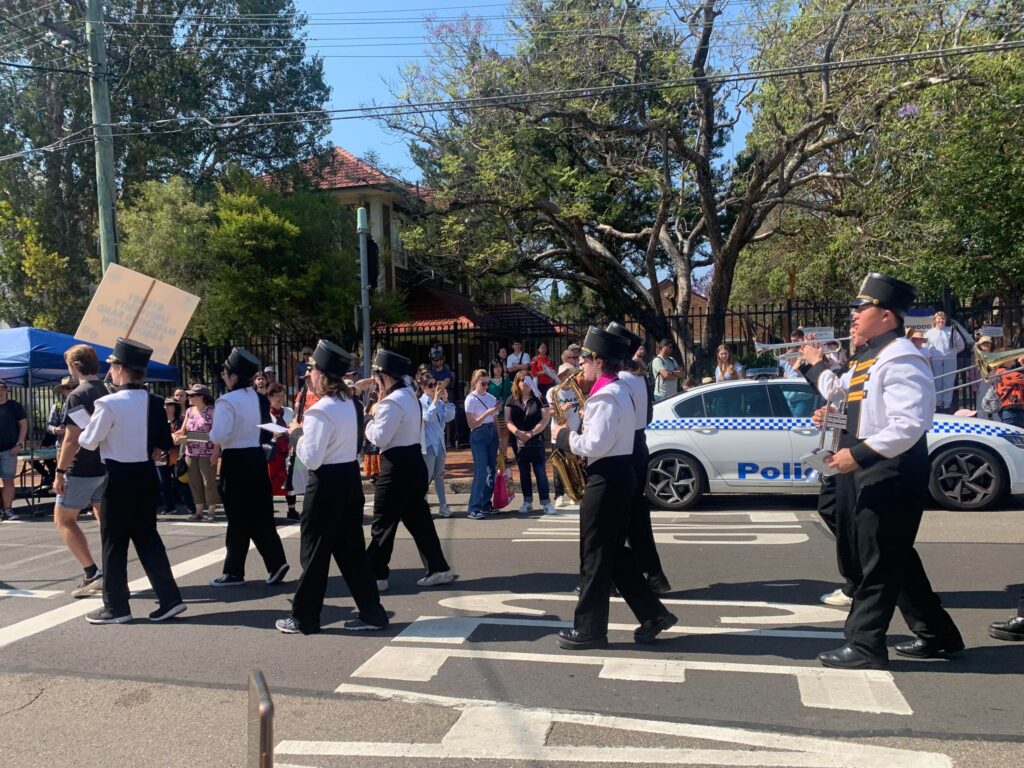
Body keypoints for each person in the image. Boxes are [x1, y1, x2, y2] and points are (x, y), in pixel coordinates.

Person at [801, 273, 963, 669]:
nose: (854, 316)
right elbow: (845, 397)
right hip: (864, 468)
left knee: (877, 560)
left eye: (862, 308)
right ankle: (937, 633)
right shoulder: (868, 358)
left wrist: (859, 456)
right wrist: (827, 403)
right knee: (891, 555)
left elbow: (909, 424)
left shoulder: (902, 356)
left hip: (888, 470)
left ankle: (865, 645)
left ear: (887, 316)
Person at [554, 327, 676, 650]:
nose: (580, 365)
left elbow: (594, 443)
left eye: (583, 360)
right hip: (619, 475)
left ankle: (590, 629)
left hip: (606, 479)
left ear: (597, 360)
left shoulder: (606, 395)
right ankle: (653, 614)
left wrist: (563, 437)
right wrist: (574, 421)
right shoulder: (618, 389)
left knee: (595, 554)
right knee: (614, 555)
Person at [276, 340, 389, 635]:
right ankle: (372, 613)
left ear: (321, 375)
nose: (308, 376)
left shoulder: (319, 411)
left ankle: (305, 618)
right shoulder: (350, 404)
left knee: (313, 554)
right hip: (349, 479)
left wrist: (295, 434)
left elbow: (311, 458)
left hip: (325, 483)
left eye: (311, 370)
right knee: (353, 554)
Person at [77, 338, 186, 624]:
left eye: (112, 366)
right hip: (146, 475)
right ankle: (170, 598)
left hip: (119, 476)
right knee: (148, 539)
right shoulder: (155, 401)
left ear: (121, 369)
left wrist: (86, 425)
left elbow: (89, 442)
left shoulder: (107, 403)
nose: (110, 371)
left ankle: (116, 607)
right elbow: (164, 442)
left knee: (113, 543)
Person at [364, 349, 455, 590]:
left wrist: (368, 421)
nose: (375, 382)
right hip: (413, 462)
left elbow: (380, 438)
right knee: (419, 520)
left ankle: (376, 575)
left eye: (376, 377)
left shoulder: (391, 402)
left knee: (383, 521)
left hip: (396, 465)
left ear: (385, 377)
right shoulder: (408, 395)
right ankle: (439, 568)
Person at [208, 347, 290, 588]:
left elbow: (219, 434)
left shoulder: (226, 400)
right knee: (260, 514)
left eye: (225, 373)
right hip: (255, 457)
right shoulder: (258, 397)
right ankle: (275, 562)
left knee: (237, 516)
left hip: (235, 460)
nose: (224, 376)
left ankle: (234, 572)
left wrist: (210, 433)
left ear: (233, 376)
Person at [607, 322, 671, 594]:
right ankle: (652, 576)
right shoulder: (638, 376)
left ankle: (612, 577)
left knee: (618, 518)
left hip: (625, 449)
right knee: (634, 518)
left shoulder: (622, 380)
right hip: (637, 445)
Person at [51, 346, 107, 596]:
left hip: (81, 468)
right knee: (105, 519)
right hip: (106, 464)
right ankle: (112, 571)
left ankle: (92, 572)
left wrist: (59, 471)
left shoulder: (76, 395)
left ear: (74, 366)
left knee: (64, 520)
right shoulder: (108, 391)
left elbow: (72, 439)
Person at [505, 370, 554, 515]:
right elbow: (508, 420)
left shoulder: (539, 398)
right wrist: (518, 433)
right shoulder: (511, 400)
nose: (525, 383)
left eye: (527, 380)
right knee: (523, 472)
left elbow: (545, 419)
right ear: (517, 383)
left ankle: (546, 502)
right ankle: (527, 501)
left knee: (540, 472)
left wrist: (531, 432)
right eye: (521, 380)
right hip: (518, 440)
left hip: (536, 439)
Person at [174, 384, 220, 522]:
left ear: (201, 397)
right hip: (191, 451)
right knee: (194, 482)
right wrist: (174, 435)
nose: (189, 398)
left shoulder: (212, 411)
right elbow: (183, 430)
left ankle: (211, 510)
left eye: (192, 395)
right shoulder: (189, 411)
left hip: (208, 451)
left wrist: (215, 453)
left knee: (208, 482)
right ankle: (198, 511)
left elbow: (217, 433)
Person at [464, 368, 500, 520]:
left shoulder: (491, 397)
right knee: (481, 471)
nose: (485, 386)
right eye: (482, 383)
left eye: (487, 383)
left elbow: (496, 421)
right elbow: (472, 424)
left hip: (491, 432)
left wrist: (501, 441)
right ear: (475, 383)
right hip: (478, 434)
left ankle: (486, 503)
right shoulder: (470, 399)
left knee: (491, 470)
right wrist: (487, 413)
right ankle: (474, 507)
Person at [420, 372, 456, 518]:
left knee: (440, 476)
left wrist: (445, 401)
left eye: (436, 385)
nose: (434, 388)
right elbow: (427, 417)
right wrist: (435, 400)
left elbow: (450, 417)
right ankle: (422, 507)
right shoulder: (420, 402)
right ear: (423, 387)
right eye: (430, 385)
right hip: (428, 445)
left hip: (440, 444)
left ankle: (443, 506)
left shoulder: (440, 402)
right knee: (426, 478)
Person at [548, 362, 582, 508]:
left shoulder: (576, 390)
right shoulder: (553, 391)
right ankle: (559, 495)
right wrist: (561, 408)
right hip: (559, 433)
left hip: (575, 431)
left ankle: (575, 492)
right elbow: (548, 412)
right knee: (559, 466)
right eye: (566, 374)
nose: (569, 377)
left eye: (571, 373)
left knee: (575, 464)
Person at [266, 382, 298, 521]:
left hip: (288, 451)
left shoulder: (289, 412)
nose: (280, 399)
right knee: (270, 480)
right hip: (273, 452)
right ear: (269, 397)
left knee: (290, 480)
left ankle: (292, 510)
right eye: (277, 396)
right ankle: (269, 511)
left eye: (282, 396)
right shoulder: (266, 414)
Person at [158, 398, 196, 516]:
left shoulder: (180, 421)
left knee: (181, 482)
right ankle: (170, 506)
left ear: (175, 407)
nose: (167, 407)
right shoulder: (160, 421)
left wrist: (172, 438)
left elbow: (183, 436)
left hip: (177, 457)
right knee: (164, 483)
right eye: (166, 405)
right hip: (162, 457)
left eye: (170, 405)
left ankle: (191, 507)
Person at [924, 311, 965, 413]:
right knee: (937, 382)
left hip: (950, 360)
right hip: (935, 360)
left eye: (943, 319)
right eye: (939, 318)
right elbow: (925, 347)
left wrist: (952, 353)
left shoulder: (951, 331)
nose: (941, 320)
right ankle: (937, 404)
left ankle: (946, 405)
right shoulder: (929, 333)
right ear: (935, 320)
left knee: (949, 382)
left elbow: (961, 345)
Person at [0, 381, 28, 521]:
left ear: (6, 390)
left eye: (2, 389)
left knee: (8, 480)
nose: (0, 392)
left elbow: (23, 425)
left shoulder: (14, 406)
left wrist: (19, 444)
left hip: (9, 450)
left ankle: (7, 509)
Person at [487, 360, 513, 462]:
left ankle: (504, 455)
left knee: (505, 433)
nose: (498, 369)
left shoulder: (506, 380)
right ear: (492, 369)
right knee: (495, 434)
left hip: (504, 410)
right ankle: (497, 455)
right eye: (495, 367)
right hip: (492, 412)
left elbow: (511, 394)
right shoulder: (488, 382)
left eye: (500, 367)